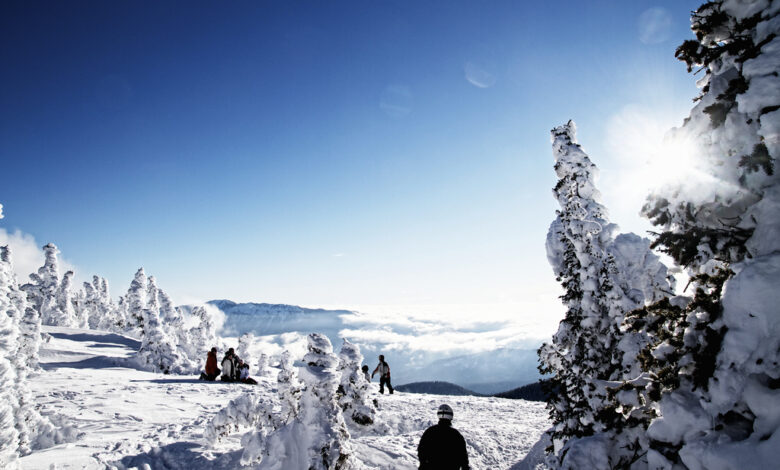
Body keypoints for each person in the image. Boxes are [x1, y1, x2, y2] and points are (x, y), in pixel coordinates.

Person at [417, 404, 469, 470]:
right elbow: (462, 455)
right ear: (451, 416)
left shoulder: (430, 431)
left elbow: (421, 450)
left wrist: (423, 464)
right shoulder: (455, 434)